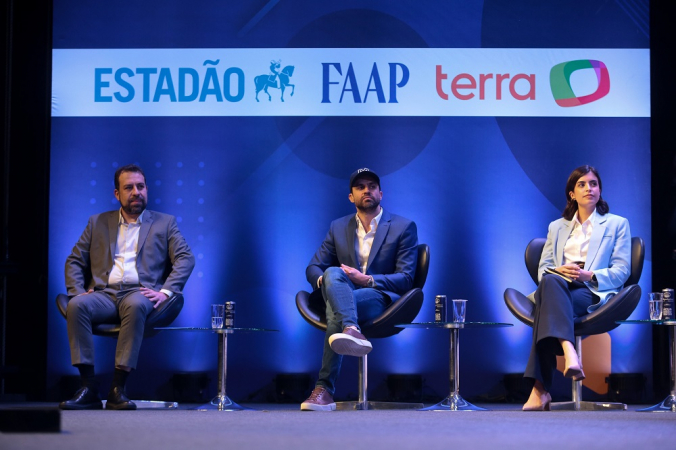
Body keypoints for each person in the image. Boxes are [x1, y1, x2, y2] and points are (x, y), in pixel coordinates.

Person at [59, 164, 195, 410]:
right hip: (104, 294)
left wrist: (164, 291)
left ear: (147, 190)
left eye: (140, 187)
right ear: (117, 194)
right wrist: (78, 290)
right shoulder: (97, 222)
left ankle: (117, 388)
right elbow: (75, 260)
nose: (136, 192)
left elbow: (185, 258)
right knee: (77, 305)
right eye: (129, 187)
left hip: (139, 292)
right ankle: (88, 386)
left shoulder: (165, 223)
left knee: (134, 305)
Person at [300, 168, 418, 411]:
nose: (367, 190)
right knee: (332, 273)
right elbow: (313, 267)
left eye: (372, 186)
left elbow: (406, 278)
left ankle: (323, 389)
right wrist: (328, 283)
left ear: (381, 194)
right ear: (351, 197)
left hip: (379, 297)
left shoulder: (403, 227)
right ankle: (351, 328)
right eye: (360, 187)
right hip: (342, 292)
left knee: (339, 307)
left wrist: (366, 280)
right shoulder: (338, 227)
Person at [522, 165, 631, 411]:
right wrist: (559, 271)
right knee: (550, 280)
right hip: (558, 286)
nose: (588, 188)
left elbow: (622, 270)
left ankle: (540, 390)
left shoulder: (617, 224)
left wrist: (588, 274)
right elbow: (544, 270)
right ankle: (568, 348)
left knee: (545, 311)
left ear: (600, 190)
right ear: (572, 193)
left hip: (591, 289)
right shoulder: (556, 227)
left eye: (593, 184)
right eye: (581, 184)